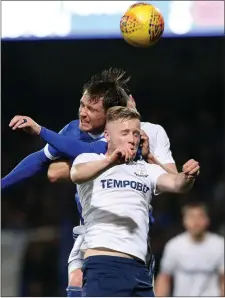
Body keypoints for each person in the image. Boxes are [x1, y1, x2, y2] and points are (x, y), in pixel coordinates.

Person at [70, 106, 200, 297]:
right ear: (107, 135)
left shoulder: (146, 169)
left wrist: (188, 175)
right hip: (104, 263)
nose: (132, 139)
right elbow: (76, 174)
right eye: (125, 133)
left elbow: (177, 184)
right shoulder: (89, 159)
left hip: (139, 268)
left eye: (136, 133)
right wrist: (111, 161)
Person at [155, 202, 224, 297]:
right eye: (191, 217)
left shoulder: (220, 245)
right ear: (184, 221)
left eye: (200, 216)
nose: (196, 222)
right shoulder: (174, 246)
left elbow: (223, 279)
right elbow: (164, 279)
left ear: (207, 220)